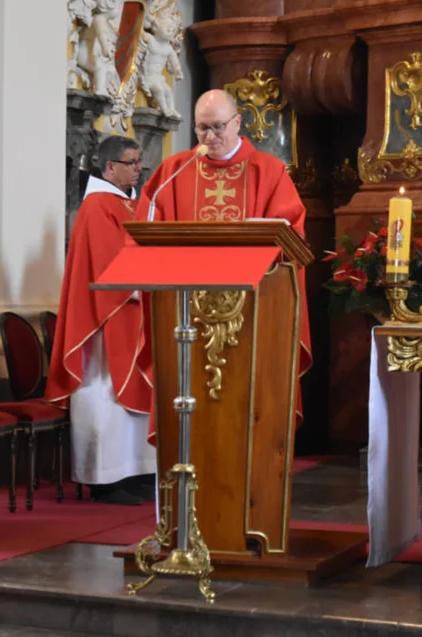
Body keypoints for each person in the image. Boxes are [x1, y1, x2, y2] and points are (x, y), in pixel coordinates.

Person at [133, 89, 312, 433]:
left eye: (217, 127)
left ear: (238, 122)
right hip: (184, 319)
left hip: (251, 320)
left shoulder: (270, 172)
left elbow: (292, 241)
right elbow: (147, 228)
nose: (210, 137)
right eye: (202, 129)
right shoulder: (174, 170)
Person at [45, 136, 155, 505]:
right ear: (110, 167)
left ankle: (136, 470)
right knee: (105, 395)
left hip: (132, 312)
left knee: (131, 400)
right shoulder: (97, 206)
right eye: (132, 162)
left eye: (140, 161)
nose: (138, 168)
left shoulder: (129, 204)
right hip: (103, 318)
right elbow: (111, 262)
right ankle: (103, 477)